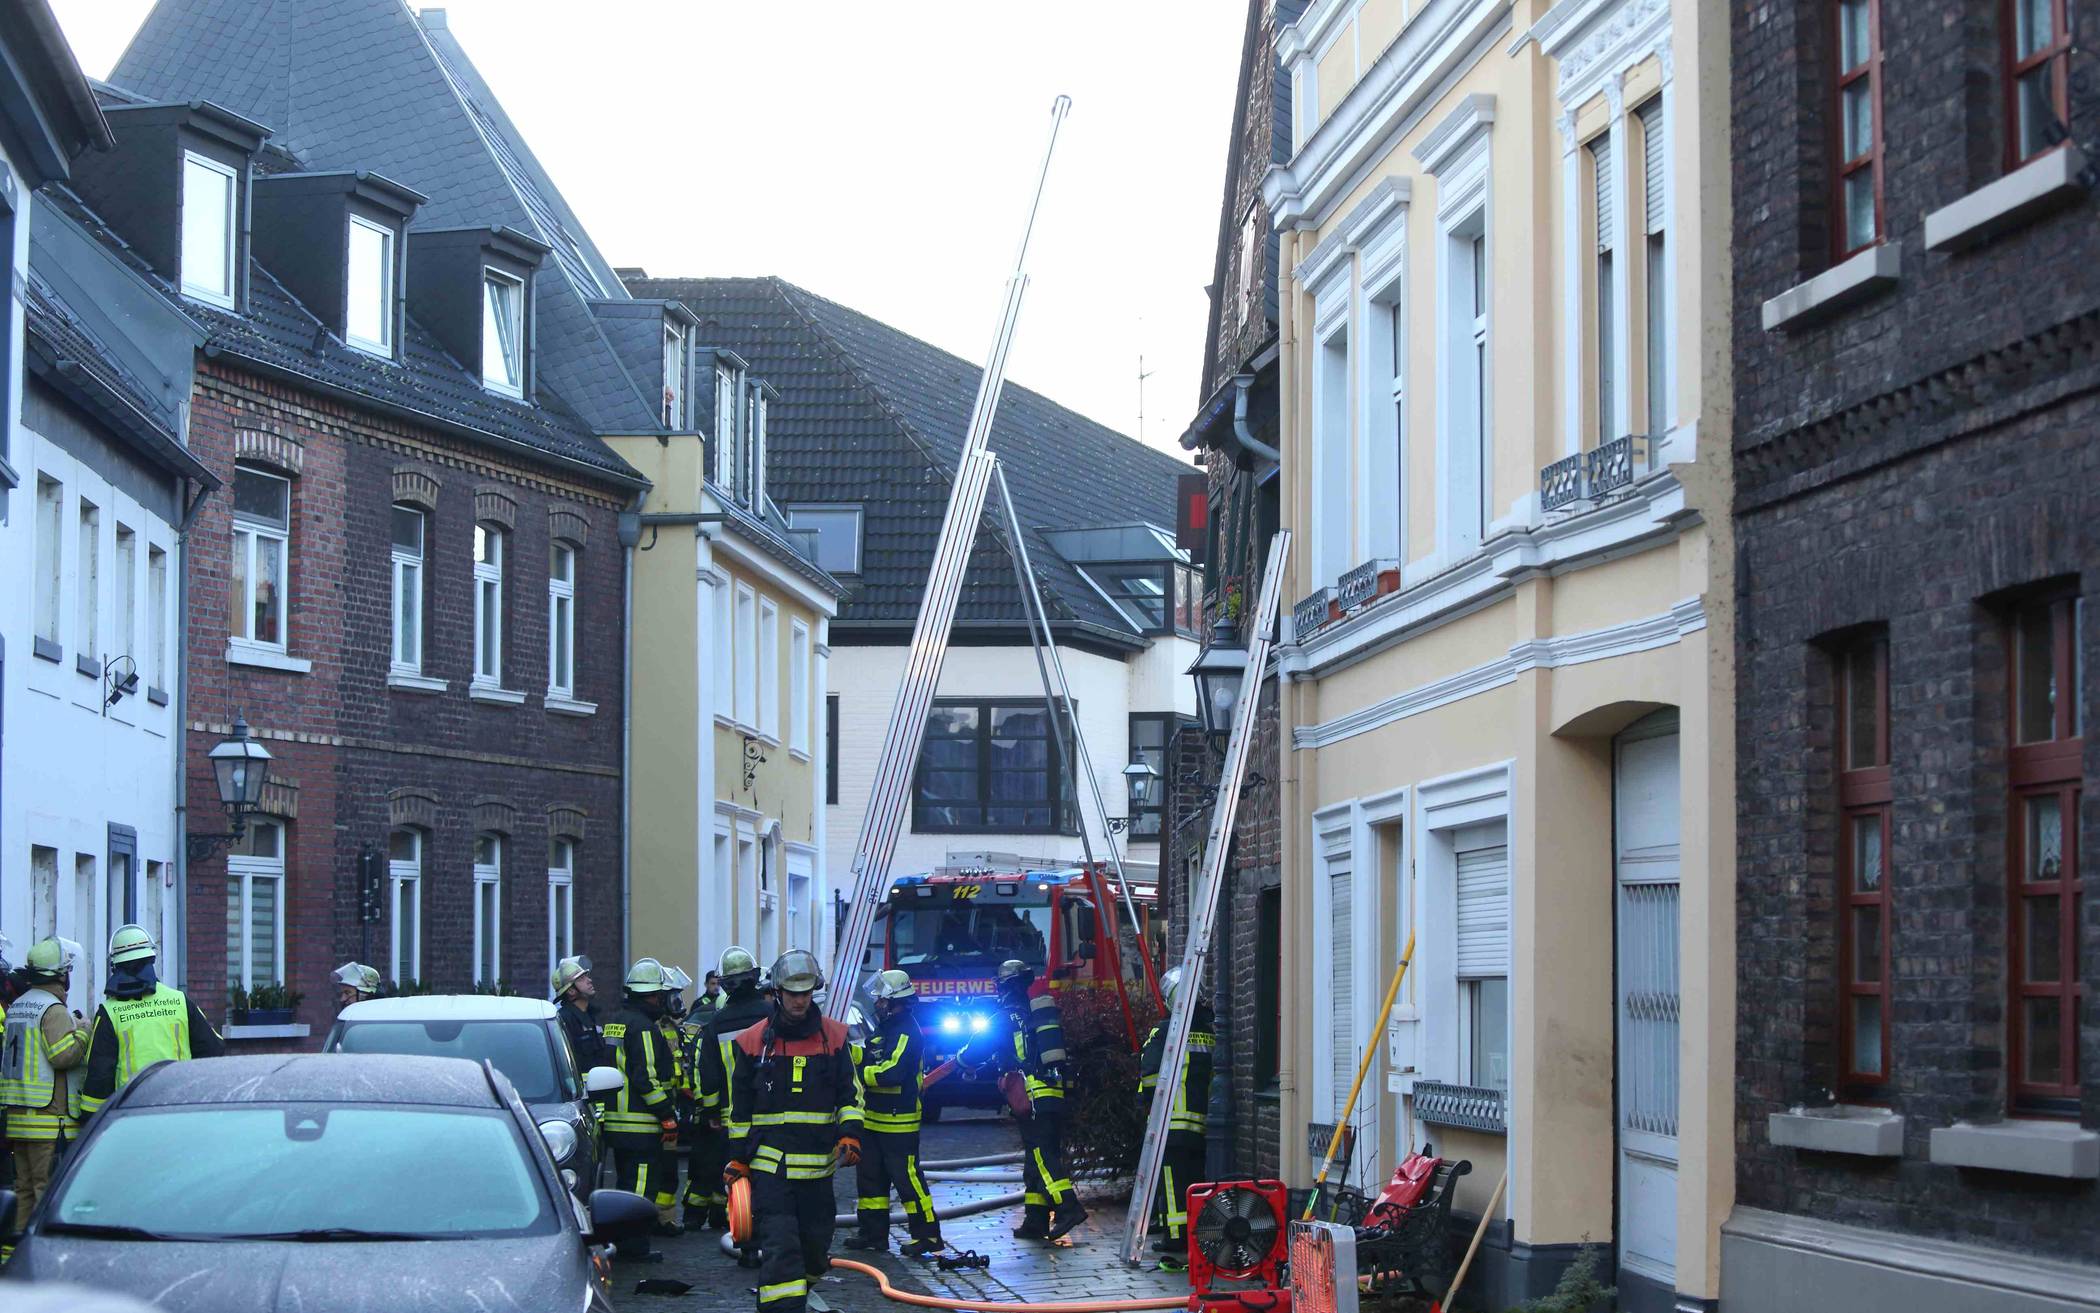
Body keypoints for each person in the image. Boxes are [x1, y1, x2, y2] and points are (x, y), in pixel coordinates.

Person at [725, 950, 861, 1313]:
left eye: (805, 993)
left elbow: (850, 1093)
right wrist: (738, 1158)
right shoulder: (753, 1043)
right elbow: (739, 1109)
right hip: (773, 1169)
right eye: (792, 993)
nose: (799, 1000)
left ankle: (798, 1293)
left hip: (818, 1169)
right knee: (782, 1247)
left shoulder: (834, 1038)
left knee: (816, 1248)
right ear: (778, 993)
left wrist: (850, 1133)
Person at [844, 969, 944, 1258]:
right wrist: (847, 1052)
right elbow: (871, 1054)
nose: (876, 1003)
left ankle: (928, 1236)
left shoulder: (906, 1031)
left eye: (880, 999)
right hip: (874, 1118)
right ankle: (873, 1234)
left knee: (907, 1180)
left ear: (894, 1001)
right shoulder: (887, 1028)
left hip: (899, 1121)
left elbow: (892, 1072)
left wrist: (860, 1073)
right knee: (871, 1179)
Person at [77, 926, 221, 1123]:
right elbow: (214, 1048)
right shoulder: (179, 1001)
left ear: (115, 967)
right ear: (151, 960)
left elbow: (99, 1075)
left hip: (132, 1115)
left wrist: (90, 1120)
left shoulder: (110, 1012)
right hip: (180, 1108)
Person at [989, 958, 1085, 1241]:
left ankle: (1068, 1208)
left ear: (1006, 986)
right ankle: (1036, 1220)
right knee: (1036, 1158)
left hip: (1032, 1096)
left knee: (1043, 1157)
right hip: (1051, 1093)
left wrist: (958, 1061)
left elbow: (976, 1050)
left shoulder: (1004, 1016)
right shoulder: (1034, 1014)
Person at [0, 939, 89, 1246]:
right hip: (46, 1124)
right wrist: (84, 1031)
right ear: (61, 975)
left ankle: (13, 1262)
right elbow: (63, 1056)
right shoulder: (53, 1009)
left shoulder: (19, 1006)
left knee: (22, 1194)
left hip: (18, 1120)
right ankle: (39, 1265)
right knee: (45, 1195)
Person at [602, 957, 683, 1254]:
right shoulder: (645, 1028)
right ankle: (632, 1245)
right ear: (651, 995)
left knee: (625, 1182)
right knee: (641, 1187)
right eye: (660, 995)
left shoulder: (615, 1023)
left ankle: (622, 1239)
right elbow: (645, 1076)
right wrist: (666, 1113)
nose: (663, 1001)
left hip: (615, 1121)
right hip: (641, 1123)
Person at [1137, 966, 1214, 1269]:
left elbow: (1151, 1073)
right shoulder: (1209, 1030)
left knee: (1172, 1181)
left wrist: (1146, 1099)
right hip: (1200, 1122)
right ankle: (1188, 1231)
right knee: (1193, 1180)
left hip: (1172, 1121)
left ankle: (1175, 1236)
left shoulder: (1165, 1029)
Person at [690, 945, 769, 1233]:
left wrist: (711, 1110)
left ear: (724, 984)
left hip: (731, 1115)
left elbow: (707, 1073)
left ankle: (742, 1231)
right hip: (772, 1111)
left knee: (737, 1170)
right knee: (768, 1172)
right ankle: (766, 1227)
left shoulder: (716, 1023)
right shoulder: (773, 1014)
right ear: (755, 976)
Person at [554, 955, 609, 1071]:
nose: (589, 981)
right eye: (581, 979)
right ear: (571, 991)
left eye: (586, 977)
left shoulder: (592, 1015)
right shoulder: (564, 1020)